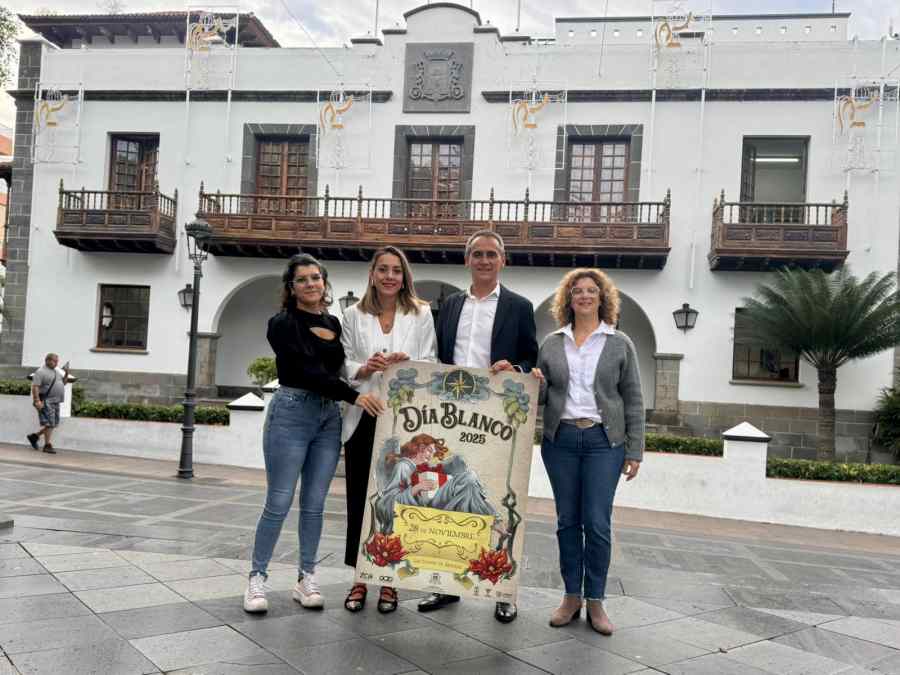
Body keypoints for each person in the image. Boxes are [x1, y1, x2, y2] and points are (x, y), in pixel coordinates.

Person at [243, 253, 385, 614]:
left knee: (314, 505)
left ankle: (306, 578)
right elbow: (307, 370)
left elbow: (339, 368)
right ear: (291, 288)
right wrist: (354, 396)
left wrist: (364, 370)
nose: (310, 284)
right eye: (302, 279)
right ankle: (257, 578)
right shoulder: (282, 323)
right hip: (291, 413)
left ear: (324, 282)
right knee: (278, 501)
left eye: (316, 278)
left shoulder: (333, 322)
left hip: (328, 418)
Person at [421, 229, 538, 624]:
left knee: (498, 498)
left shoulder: (519, 307)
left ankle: (502, 589)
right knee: (447, 496)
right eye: (478, 254)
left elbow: (530, 359)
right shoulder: (451, 304)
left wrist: (515, 368)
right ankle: (445, 584)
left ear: (502, 260)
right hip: (450, 411)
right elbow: (438, 354)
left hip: (496, 414)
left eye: (491, 254)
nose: (485, 261)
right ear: (467, 260)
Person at [534, 268, 643, 635]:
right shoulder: (552, 343)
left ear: (602, 298)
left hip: (603, 443)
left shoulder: (619, 342)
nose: (584, 296)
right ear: (568, 299)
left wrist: (635, 450)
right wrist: (536, 383)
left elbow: (633, 399)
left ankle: (596, 600)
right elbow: (542, 397)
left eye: (591, 290)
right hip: (561, 441)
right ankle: (571, 597)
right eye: (577, 291)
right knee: (567, 521)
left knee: (596, 523)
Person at [340, 246, 436, 614]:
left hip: (403, 420)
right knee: (359, 499)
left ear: (404, 276)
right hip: (364, 414)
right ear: (372, 274)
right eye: (383, 269)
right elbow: (343, 363)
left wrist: (406, 362)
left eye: (396, 270)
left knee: (396, 499)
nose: (390, 276)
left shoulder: (421, 313)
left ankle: (389, 579)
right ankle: (360, 576)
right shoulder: (353, 314)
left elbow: (431, 361)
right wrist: (364, 368)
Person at [27, 353, 72, 455]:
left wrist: (66, 373)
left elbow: (63, 383)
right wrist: (37, 401)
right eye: (54, 361)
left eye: (57, 361)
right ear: (47, 360)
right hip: (47, 401)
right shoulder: (40, 372)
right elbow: (35, 387)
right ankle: (47, 445)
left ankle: (34, 436)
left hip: (56, 401)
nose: (56, 363)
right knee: (50, 424)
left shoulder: (56, 372)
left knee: (53, 424)